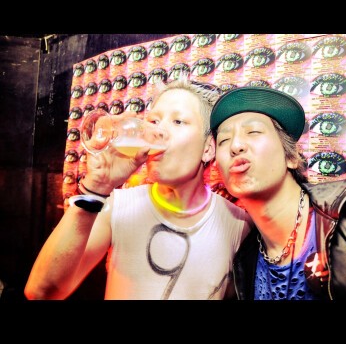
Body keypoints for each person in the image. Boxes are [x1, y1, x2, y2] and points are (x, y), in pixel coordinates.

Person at [24, 74, 252, 300]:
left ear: (208, 148)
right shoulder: (118, 207)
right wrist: (97, 187)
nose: (158, 132)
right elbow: (42, 292)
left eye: (178, 121)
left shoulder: (238, 226)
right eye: (153, 121)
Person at [210, 86, 346, 300]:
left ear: (292, 157)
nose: (235, 146)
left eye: (253, 132)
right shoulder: (245, 262)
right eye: (224, 140)